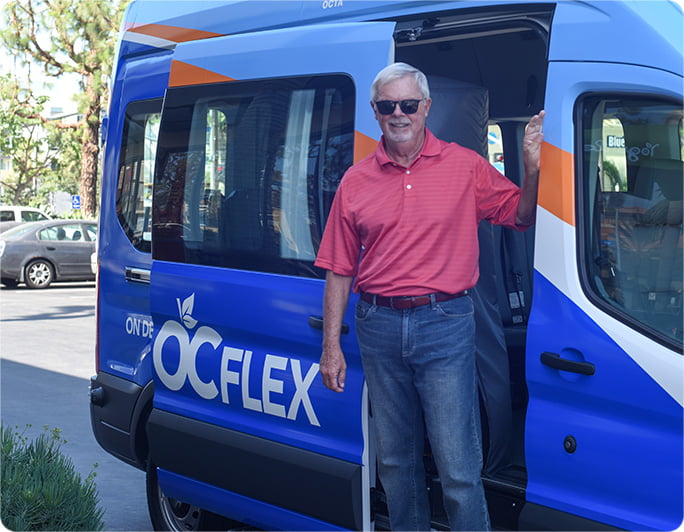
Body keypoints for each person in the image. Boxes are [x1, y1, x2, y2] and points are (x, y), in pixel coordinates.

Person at [314, 62, 544, 531]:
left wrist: (533, 165)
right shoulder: (355, 181)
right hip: (377, 325)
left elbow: (520, 215)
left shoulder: (465, 166)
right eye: (387, 105)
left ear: (426, 109)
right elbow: (339, 267)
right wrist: (331, 347)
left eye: (408, 104)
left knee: (458, 467)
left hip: (445, 323)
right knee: (397, 464)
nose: (398, 113)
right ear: (375, 112)